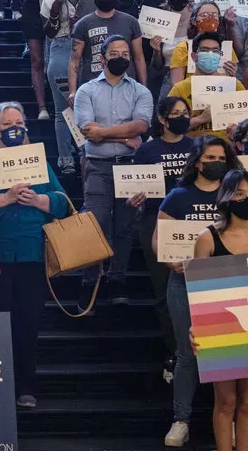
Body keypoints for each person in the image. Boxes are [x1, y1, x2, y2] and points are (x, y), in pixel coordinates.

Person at [0, 102, 70, 408]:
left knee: (28, 323)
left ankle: (26, 385)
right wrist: (0, 199)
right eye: (7, 124)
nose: (14, 129)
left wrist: (40, 200)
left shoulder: (36, 159)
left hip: (31, 254)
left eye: (19, 123)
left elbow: (63, 200)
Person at [155, 135, 240, 448]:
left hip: (226, 283)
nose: (216, 163)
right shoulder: (177, 196)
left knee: (228, 352)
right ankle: (181, 420)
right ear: (196, 161)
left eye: (221, 158)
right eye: (210, 158)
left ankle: (229, 421)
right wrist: (170, 262)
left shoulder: (235, 195)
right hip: (184, 283)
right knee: (186, 354)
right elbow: (158, 241)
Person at [192, 170, 248, 451]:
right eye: (240, 194)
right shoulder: (207, 239)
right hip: (220, 330)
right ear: (227, 198)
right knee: (226, 400)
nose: (247, 199)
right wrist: (194, 328)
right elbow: (198, 292)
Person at [73, 35, 154, 308]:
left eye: (125, 53)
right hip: (98, 167)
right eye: (115, 53)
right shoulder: (86, 90)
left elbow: (141, 128)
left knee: (125, 226)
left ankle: (116, 277)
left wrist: (104, 133)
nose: (121, 57)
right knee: (94, 222)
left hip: (131, 167)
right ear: (103, 58)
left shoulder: (141, 91)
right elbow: (87, 132)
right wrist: (123, 135)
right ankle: (90, 279)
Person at [133, 96, 196, 367]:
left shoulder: (197, 146)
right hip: (156, 222)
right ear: (162, 119)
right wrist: (133, 197)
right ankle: (175, 351)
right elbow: (136, 187)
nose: (181, 117)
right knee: (164, 290)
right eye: (175, 113)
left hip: (195, 221)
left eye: (185, 112)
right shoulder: (147, 150)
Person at [43, 0, 92, 159]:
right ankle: (65, 158)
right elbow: (48, 31)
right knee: (63, 109)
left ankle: (85, 152)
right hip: (61, 45)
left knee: (86, 105)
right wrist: (54, 12)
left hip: (85, 48)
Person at [67, 0, 146, 104]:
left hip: (126, 86)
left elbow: (138, 57)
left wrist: (143, 87)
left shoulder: (131, 22)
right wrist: (72, 91)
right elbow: (74, 60)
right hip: (93, 88)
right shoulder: (83, 24)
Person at [166, 32, 246, 140]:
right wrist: (201, 119)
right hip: (193, 150)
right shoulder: (180, 89)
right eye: (204, 50)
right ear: (194, 57)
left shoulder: (234, 85)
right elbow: (168, 127)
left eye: (215, 50)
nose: (210, 54)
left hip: (227, 149)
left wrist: (238, 130)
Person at [167, 0, 240, 88]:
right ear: (194, 21)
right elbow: (177, 85)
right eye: (204, 15)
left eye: (214, 15)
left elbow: (231, 82)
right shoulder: (183, 47)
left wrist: (232, 73)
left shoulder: (226, 47)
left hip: (219, 95)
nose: (210, 18)